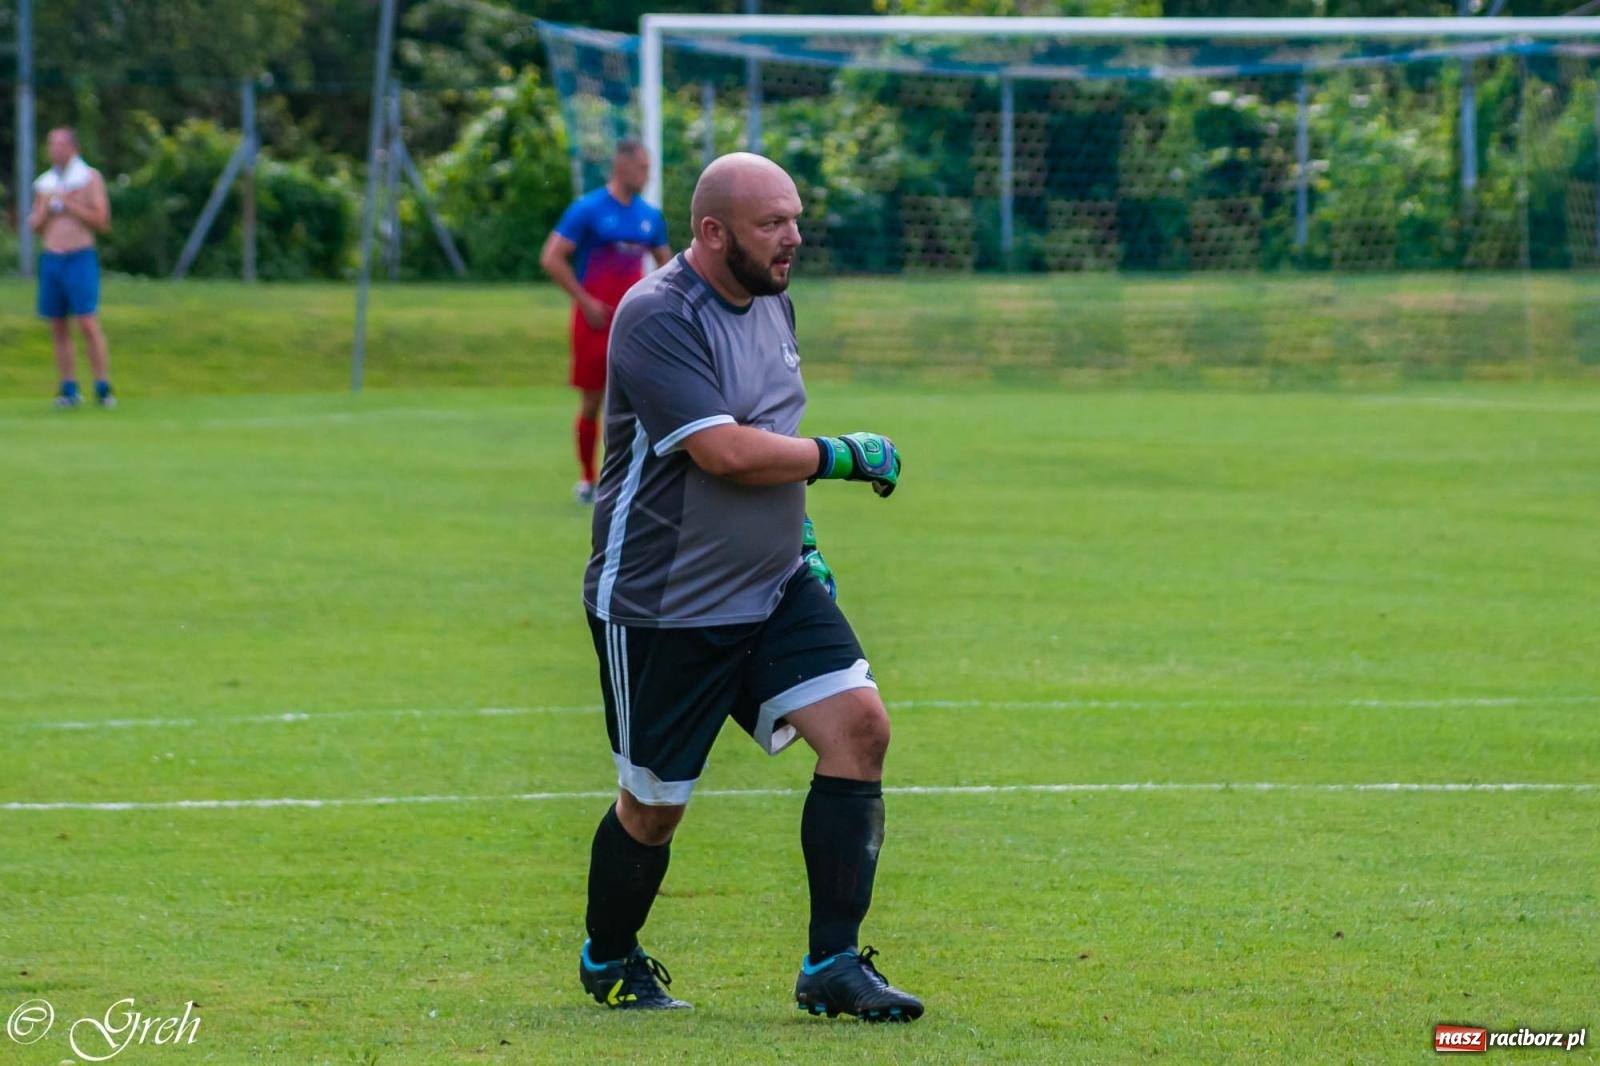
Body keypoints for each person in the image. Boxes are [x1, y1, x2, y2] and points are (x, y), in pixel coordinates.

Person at [575, 152, 923, 1023]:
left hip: (771, 586)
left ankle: (832, 964)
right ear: (711, 231)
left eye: (795, 220)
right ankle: (609, 959)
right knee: (653, 810)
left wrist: (802, 535)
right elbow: (724, 449)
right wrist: (845, 456)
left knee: (860, 728)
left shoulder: (774, 302)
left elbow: (773, 432)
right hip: (664, 603)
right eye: (773, 224)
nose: (793, 238)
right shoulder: (657, 315)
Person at [540, 142, 671, 504]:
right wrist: (585, 301)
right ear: (622, 165)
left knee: (644, 401)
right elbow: (552, 258)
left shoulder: (650, 216)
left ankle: (638, 478)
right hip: (595, 322)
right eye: (642, 167)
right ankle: (587, 479)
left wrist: (661, 308)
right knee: (592, 401)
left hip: (635, 327)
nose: (647, 175)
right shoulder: (588, 210)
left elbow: (669, 266)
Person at [29, 127, 114, 410]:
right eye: (51, 144)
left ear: (72, 148)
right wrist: (44, 209)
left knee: (87, 322)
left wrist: (68, 203)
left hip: (80, 257)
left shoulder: (89, 179)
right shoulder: (45, 184)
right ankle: (68, 388)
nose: (54, 149)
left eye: (59, 144)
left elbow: (102, 221)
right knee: (57, 324)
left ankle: (102, 386)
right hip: (52, 258)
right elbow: (36, 226)